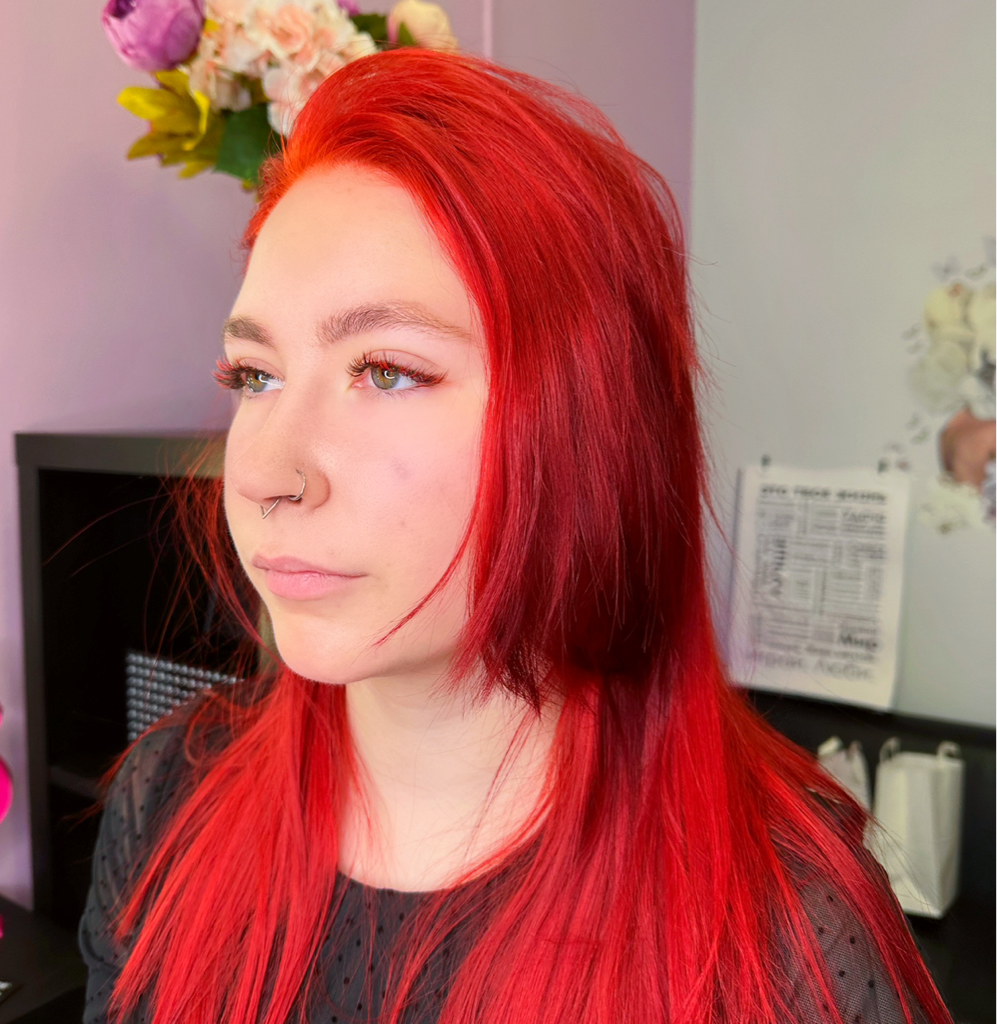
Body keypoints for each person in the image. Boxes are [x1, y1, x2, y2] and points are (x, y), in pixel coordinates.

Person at [79, 49, 953, 1024]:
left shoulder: (789, 934)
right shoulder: (168, 803)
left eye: (386, 371)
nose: (262, 474)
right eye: (255, 375)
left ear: (586, 428)